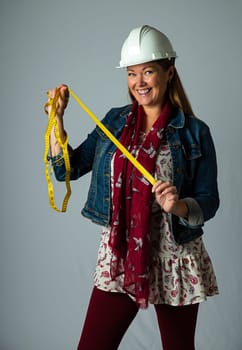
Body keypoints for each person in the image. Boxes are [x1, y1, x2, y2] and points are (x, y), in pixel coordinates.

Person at [45, 25, 219, 350]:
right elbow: (65, 169)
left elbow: (209, 200)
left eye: (148, 71)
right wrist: (57, 119)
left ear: (169, 72)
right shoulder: (113, 122)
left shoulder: (195, 132)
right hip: (122, 253)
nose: (138, 82)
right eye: (131, 74)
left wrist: (178, 206)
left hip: (174, 254)